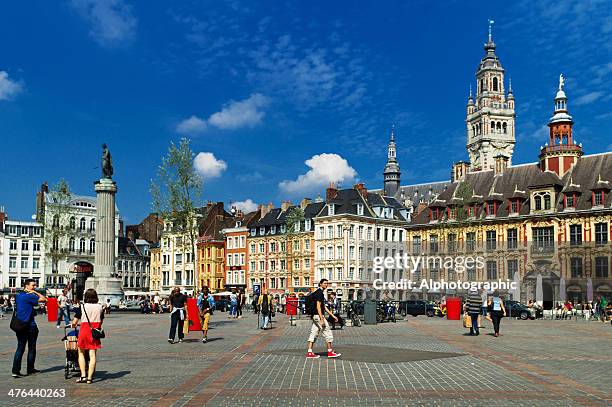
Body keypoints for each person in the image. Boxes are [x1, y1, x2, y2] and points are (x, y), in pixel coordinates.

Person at [12, 279, 47, 377]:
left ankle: (15, 371)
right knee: (31, 348)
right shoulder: (29, 296)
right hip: (30, 326)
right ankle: (30, 369)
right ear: (26, 286)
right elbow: (44, 299)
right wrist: (35, 292)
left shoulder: (18, 296)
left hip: (20, 325)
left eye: (35, 286)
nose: (34, 287)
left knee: (20, 347)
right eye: (33, 285)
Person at [71, 289, 104, 384]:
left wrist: (73, 325)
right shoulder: (100, 307)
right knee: (92, 355)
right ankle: (90, 378)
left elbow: (74, 322)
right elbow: (101, 321)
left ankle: (83, 376)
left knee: (81, 353)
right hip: (94, 332)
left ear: (85, 297)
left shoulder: (82, 307)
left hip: (84, 331)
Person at [306, 279, 340, 359]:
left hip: (315, 316)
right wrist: (321, 318)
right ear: (320, 284)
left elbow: (323, 306)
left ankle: (309, 352)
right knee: (327, 332)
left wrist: (332, 315)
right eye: (324, 283)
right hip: (318, 316)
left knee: (313, 333)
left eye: (327, 283)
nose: (326, 285)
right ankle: (330, 351)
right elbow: (318, 306)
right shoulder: (320, 293)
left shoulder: (317, 292)